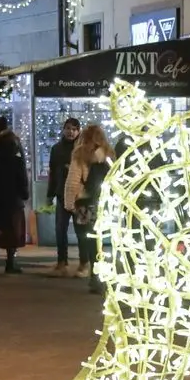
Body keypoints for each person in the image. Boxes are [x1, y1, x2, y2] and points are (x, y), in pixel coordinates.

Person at [65, 123, 112, 292]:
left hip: (85, 204)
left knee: (88, 240)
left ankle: (94, 275)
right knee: (102, 240)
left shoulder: (80, 154)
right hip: (104, 203)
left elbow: (73, 180)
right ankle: (103, 275)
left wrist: (69, 203)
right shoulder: (109, 154)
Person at [0, 126, 30, 274]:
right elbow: (22, 181)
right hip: (14, 201)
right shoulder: (17, 162)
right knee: (14, 231)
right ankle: (10, 262)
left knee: (1, 226)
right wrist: (24, 194)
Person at [48, 118, 81, 277]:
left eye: (74, 129)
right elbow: (52, 173)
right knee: (60, 229)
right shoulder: (56, 149)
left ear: (79, 131)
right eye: (68, 128)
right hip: (62, 195)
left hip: (80, 196)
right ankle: (62, 261)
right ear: (63, 129)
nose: (71, 132)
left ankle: (84, 262)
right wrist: (50, 194)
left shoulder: (82, 149)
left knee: (81, 230)